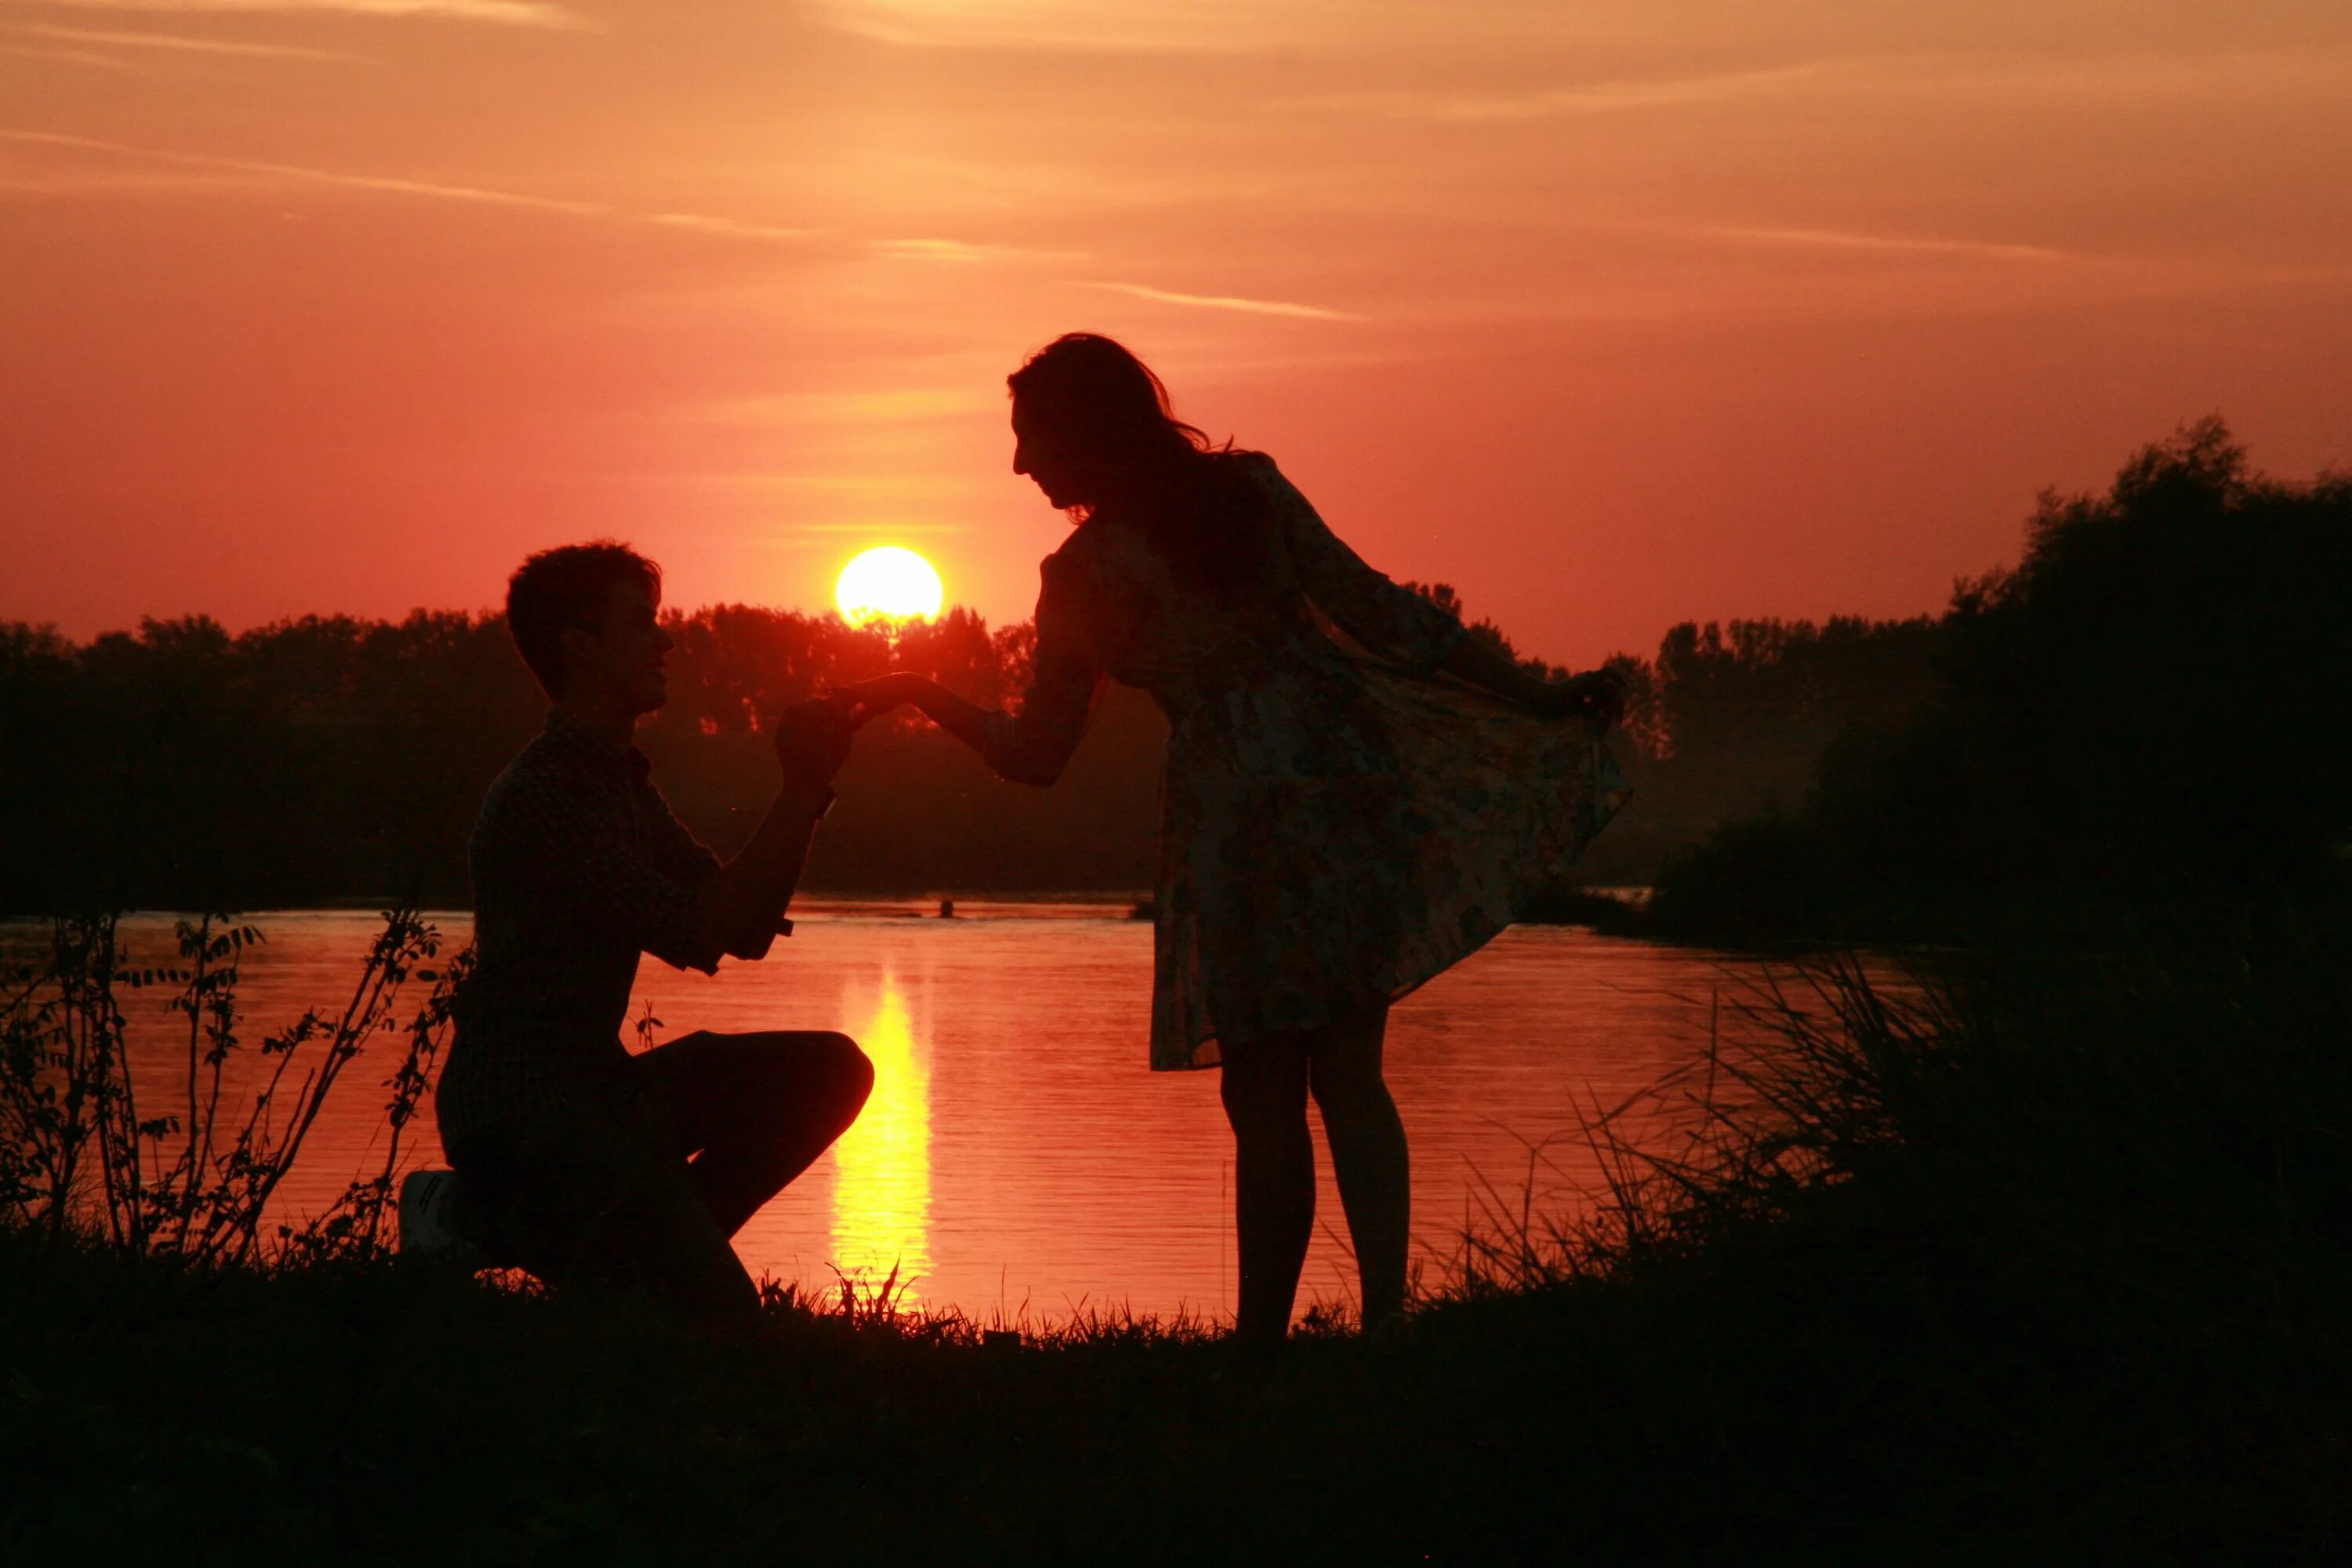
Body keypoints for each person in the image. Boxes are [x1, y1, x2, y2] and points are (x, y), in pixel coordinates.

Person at [840, 333, 1628, 1348]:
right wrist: (1536, 692)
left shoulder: (1085, 571)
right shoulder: (1250, 494)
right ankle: (1387, 1322)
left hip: (1244, 813)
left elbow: (1036, 755)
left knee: (1263, 1092)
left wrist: (913, 690)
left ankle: (1265, 1343)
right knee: (1349, 1067)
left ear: (1085, 432)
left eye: (1030, 437)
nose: (1019, 464)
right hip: (1350, 780)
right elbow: (1387, 617)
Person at [406, 542, 874, 1317]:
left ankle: (633, 1259)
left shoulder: (619, 779)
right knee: (721, 1317)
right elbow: (702, 925)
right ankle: (475, 1215)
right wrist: (796, 788)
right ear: (578, 646)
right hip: (523, 1117)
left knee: (831, 1069)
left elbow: (744, 927)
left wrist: (811, 785)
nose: (666, 639)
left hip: (600, 1094)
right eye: (639, 623)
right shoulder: (547, 796)